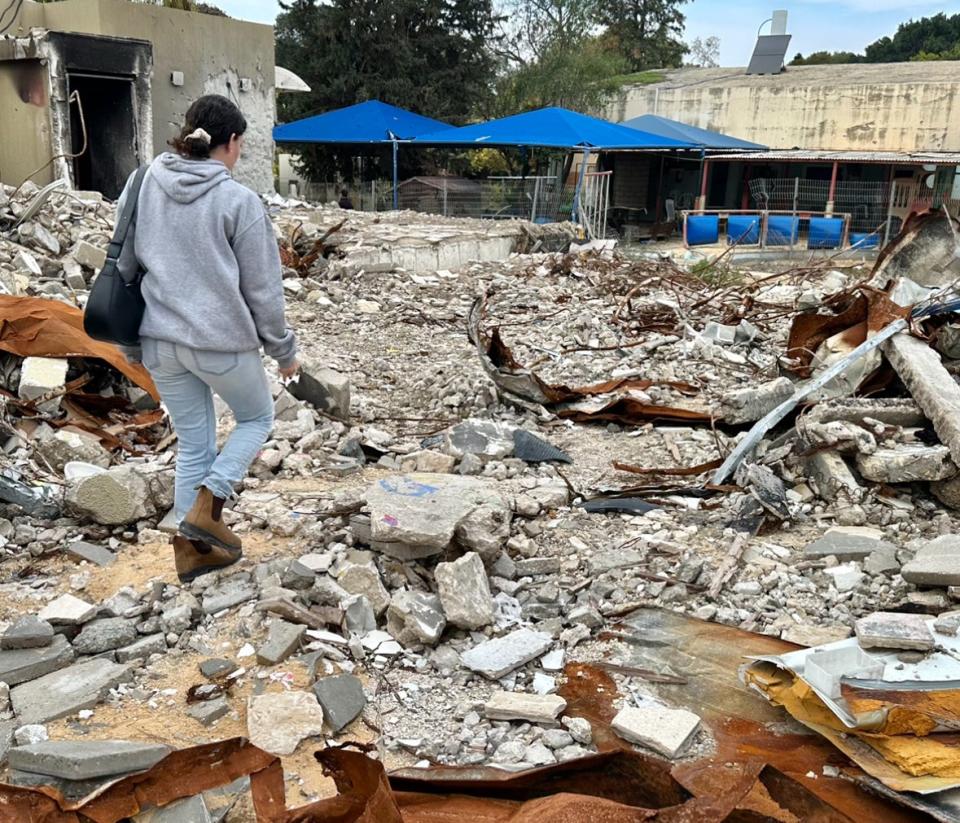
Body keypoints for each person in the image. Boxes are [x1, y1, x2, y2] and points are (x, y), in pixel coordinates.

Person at [117, 94, 298, 582]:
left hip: (159, 339)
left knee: (195, 441)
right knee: (257, 417)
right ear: (232, 142)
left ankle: (192, 553)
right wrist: (283, 351)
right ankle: (207, 507)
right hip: (220, 342)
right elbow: (263, 290)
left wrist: (131, 344)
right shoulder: (239, 201)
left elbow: (124, 265)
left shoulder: (141, 183)